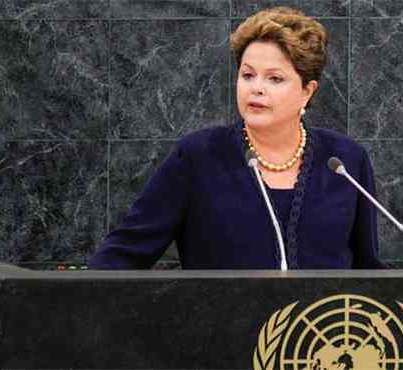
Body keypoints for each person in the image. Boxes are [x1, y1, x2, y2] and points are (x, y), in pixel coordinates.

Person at [88, 7, 385, 269]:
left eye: (275, 78)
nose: (256, 88)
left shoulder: (345, 161)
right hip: (217, 330)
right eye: (247, 75)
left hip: (320, 333)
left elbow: (367, 268)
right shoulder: (197, 156)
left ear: (307, 91)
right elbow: (124, 254)